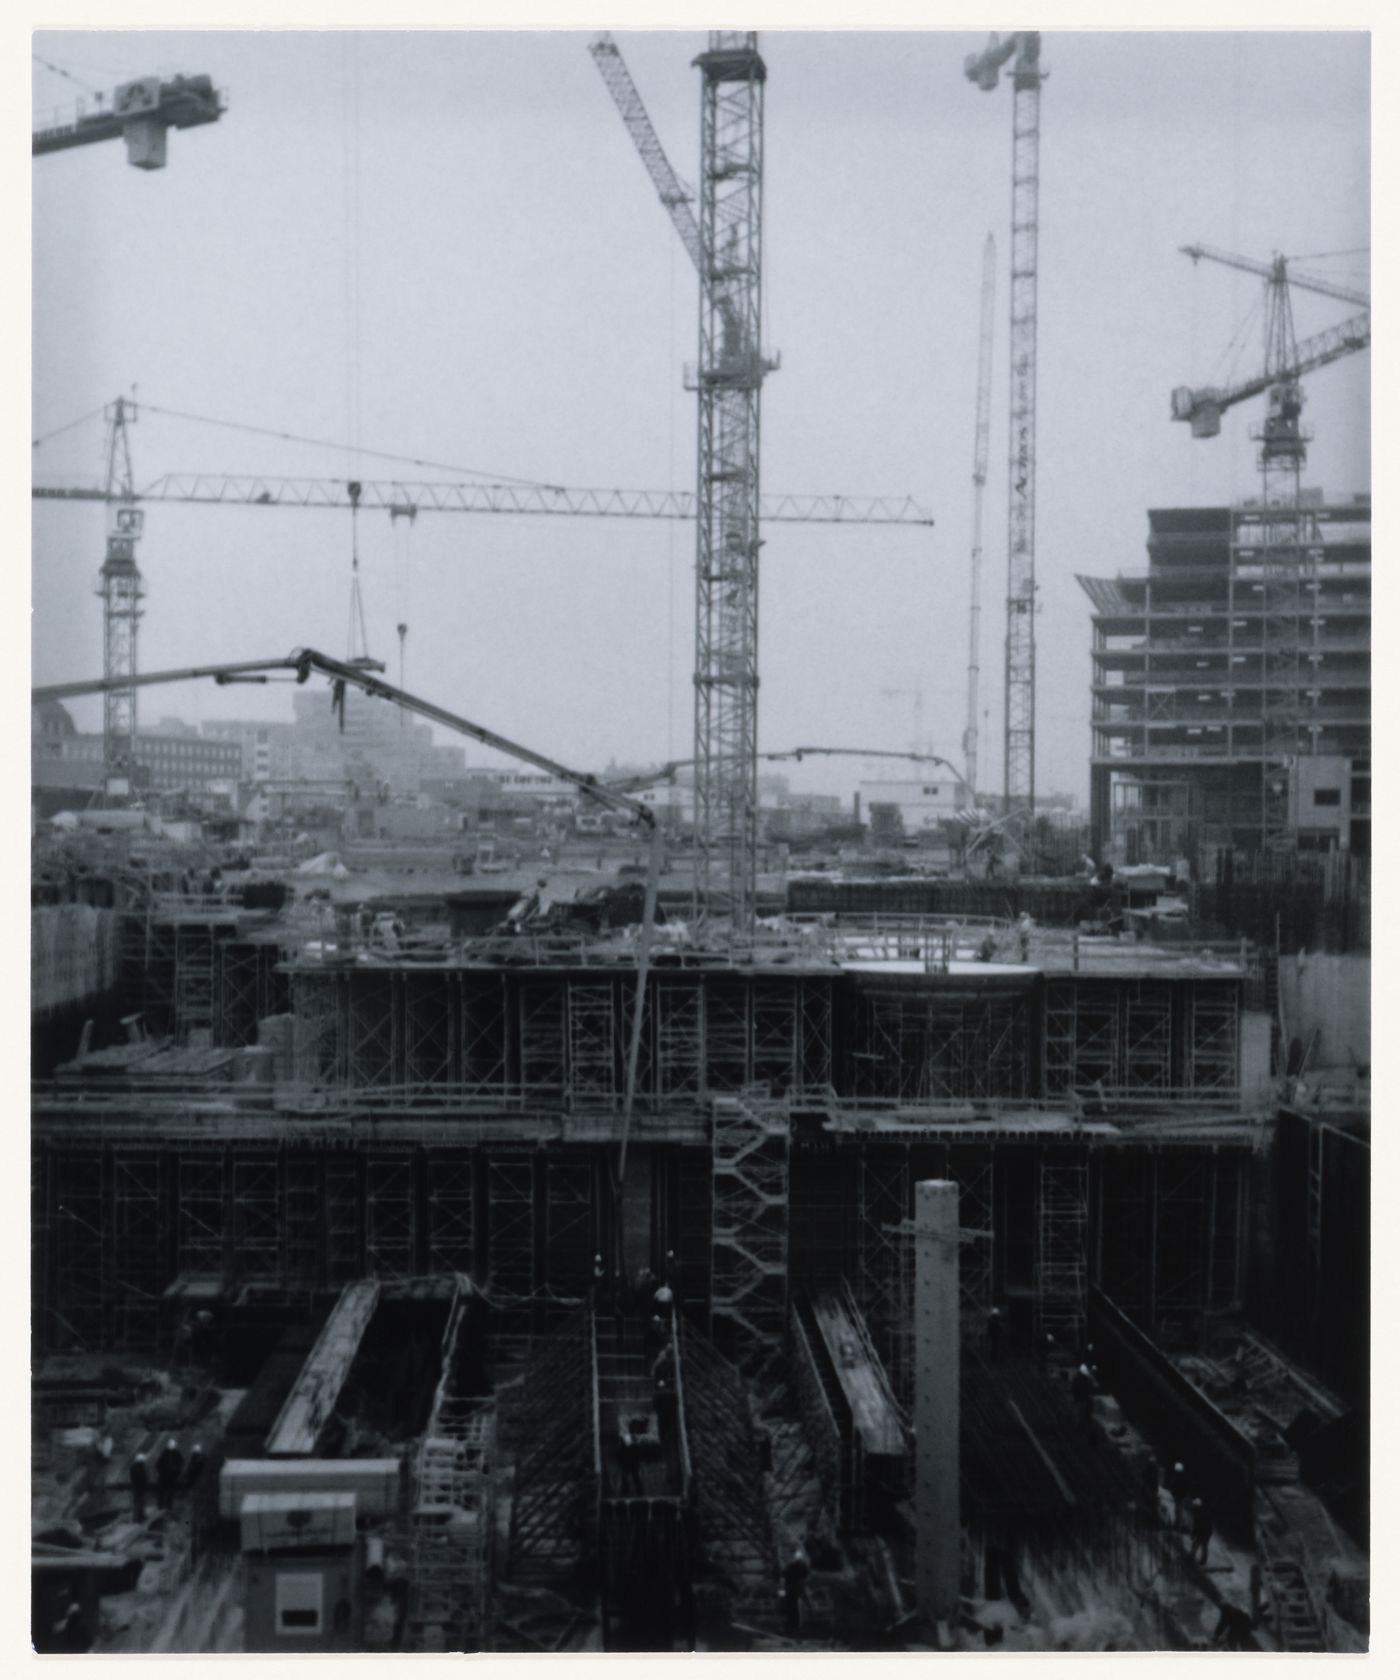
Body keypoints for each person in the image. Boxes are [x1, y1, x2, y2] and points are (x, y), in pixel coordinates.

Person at [781, 1548, 810, 1636]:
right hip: (798, 1588)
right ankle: (797, 1625)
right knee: (798, 1607)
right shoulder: (802, 1565)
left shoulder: (790, 1565)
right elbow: (805, 1575)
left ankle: (792, 1625)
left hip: (791, 1588)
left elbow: (784, 1574)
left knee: (792, 1607)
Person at [616, 1421, 644, 1498]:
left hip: (629, 1461)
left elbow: (626, 1449)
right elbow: (632, 1449)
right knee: (634, 1477)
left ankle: (627, 1492)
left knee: (630, 1477)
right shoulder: (630, 1438)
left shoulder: (629, 1438)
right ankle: (636, 1492)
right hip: (630, 1461)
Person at [157, 1438, 185, 1511]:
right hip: (164, 1475)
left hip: (172, 1476)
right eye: (171, 1445)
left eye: (173, 1445)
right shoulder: (164, 1453)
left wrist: (176, 1471)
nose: (172, 1446)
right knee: (163, 1491)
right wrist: (161, 1472)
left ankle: (168, 1506)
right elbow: (158, 1464)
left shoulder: (177, 1453)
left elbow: (181, 1463)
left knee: (170, 1492)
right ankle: (161, 1506)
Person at [1189, 1497, 1214, 1566]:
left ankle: (1201, 1560)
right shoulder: (1199, 1511)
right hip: (1206, 1530)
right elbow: (1196, 1525)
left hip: (1206, 1531)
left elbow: (1198, 1525)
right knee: (1200, 1544)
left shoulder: (1199, 1513)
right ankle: (1193, 1556)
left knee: (1202, 1545)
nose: (1193, 1507)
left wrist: (1194, 1534)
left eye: (1194, 1506)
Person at [1164, 1461, 1188, 1531]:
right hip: (1175, 1496)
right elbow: (1172, 1486)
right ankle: (1173, 1524)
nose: (1176, 1472)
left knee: (1179, 1511)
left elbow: (1182, 1489)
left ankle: (1178, 1526)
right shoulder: (1176, 1478)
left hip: (1179, 1498)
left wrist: (1180, 1496)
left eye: (1177, 1471)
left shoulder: (1181, 1479)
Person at [129, 1451, 149, 1523]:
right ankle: (138, 1518)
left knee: (140, 1502)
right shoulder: (137, 1468)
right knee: (139, 1503)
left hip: (138, 1487)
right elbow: (140, 1478)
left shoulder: (136, 1467)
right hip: (138, 1487)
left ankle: (140, 1516)